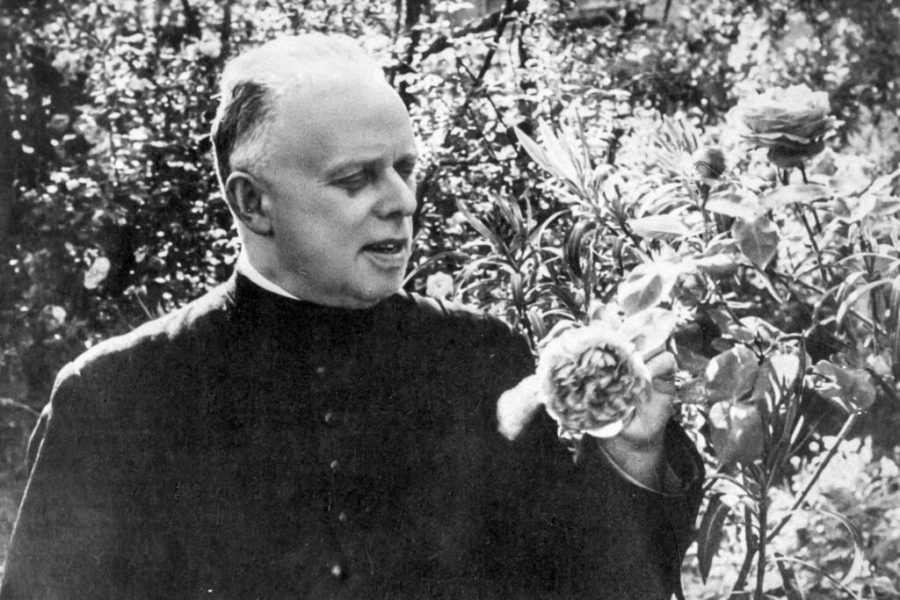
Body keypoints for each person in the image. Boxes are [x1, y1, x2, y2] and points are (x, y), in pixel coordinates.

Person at [0, 34, 703, 599]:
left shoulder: (480, 359)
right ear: (252, 203)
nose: (401, 201)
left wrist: (632, 454)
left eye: (405, 169)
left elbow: (589, 583)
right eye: (355, 178)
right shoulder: (114, 396)